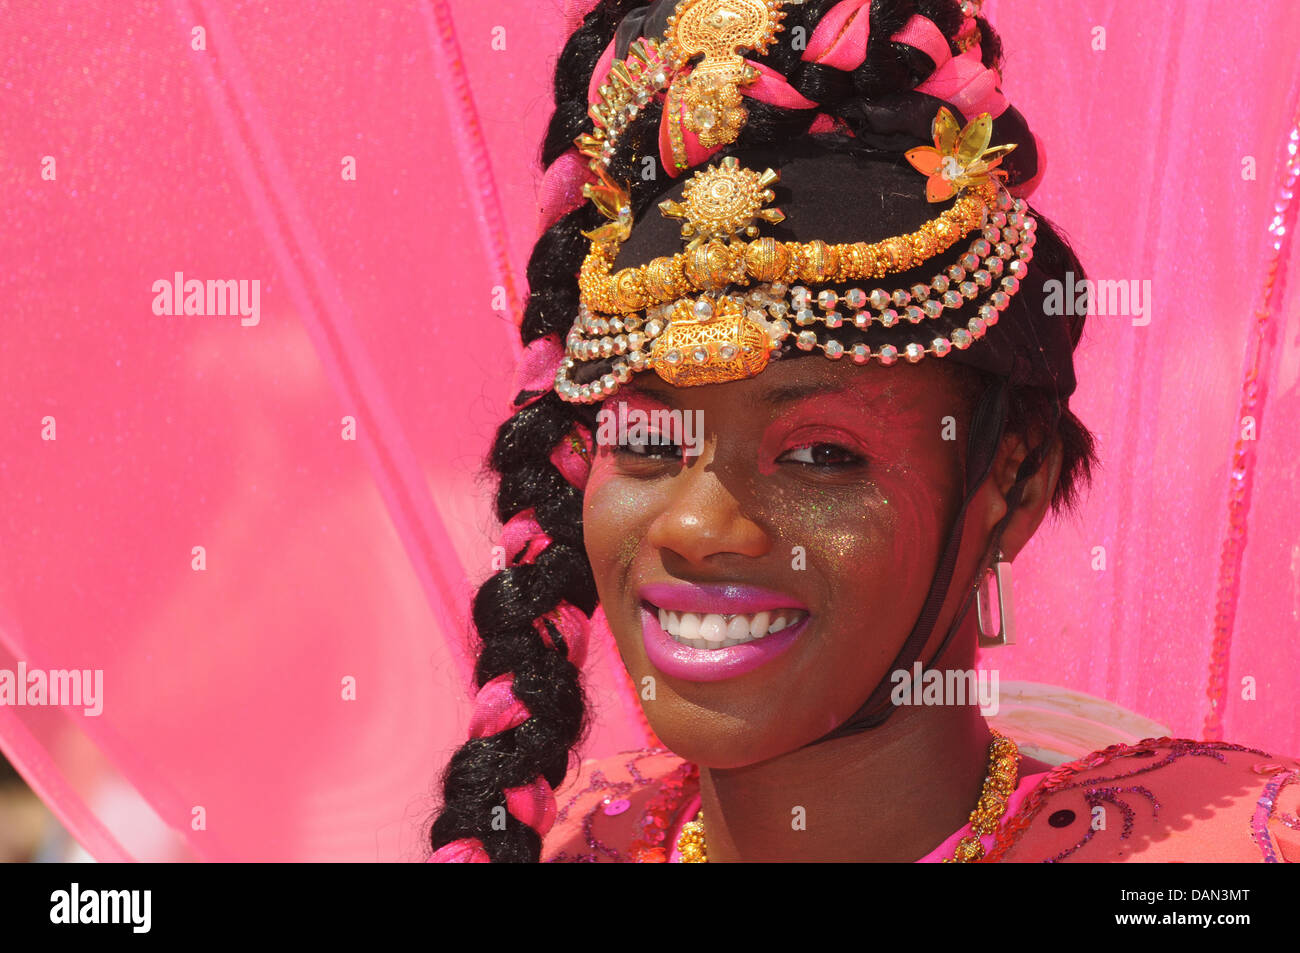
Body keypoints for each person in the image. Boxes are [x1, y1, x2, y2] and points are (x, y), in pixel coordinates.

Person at [427, 0, 1300, 863]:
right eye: (650, 442)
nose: (694, 527)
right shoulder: (564, 836)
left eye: (820, 454)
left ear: (1015, 482)